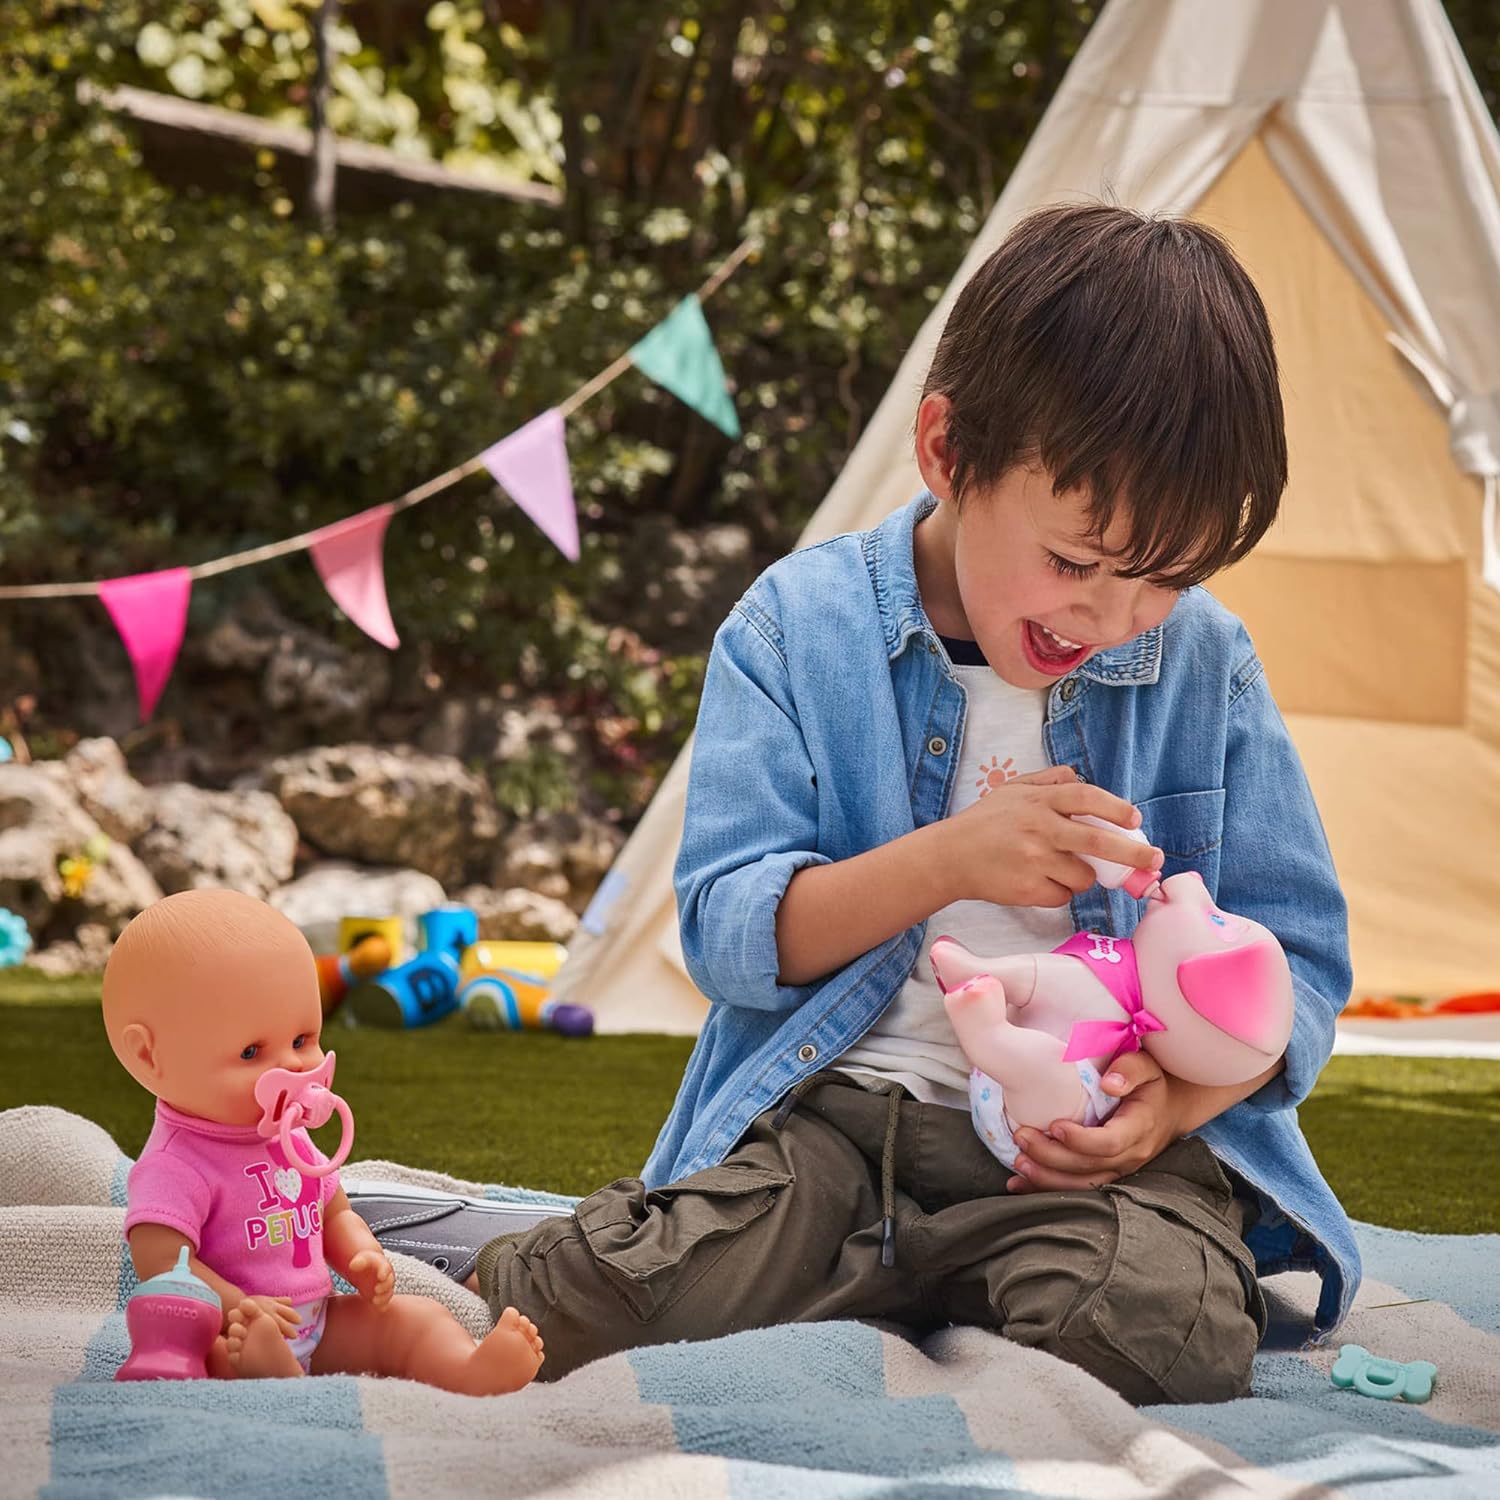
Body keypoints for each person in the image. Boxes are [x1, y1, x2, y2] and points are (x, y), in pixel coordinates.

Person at [465, 203, 1359, 1402]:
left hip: (1093, 1171)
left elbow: (1300, 963)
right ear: (947, 451)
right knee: (570, 1305)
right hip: (838, 1134)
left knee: (1168, 1330)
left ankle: (902, 1287)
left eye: (1167, 578)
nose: (1110, 619)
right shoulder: (796, 629)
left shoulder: (1206, 663)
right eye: (1076, 563)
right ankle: (884, 1276)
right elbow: (728, 936)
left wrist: (1174, 1107)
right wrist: (949, 858)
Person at [104, 888, 546, 1394]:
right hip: (232, 1327)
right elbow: (163, 1264)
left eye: (301, 1040)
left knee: (414, 1319)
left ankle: (467, 1370)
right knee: (211, 1350)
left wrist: (362, 1255)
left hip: (320, 1320)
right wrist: (237, 1307)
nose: (293, 1066)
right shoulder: (175, 1164)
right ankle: (267, 1373)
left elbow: (334, 1214)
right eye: (251, 1052)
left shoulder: (288, 1134)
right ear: (150, 1057)